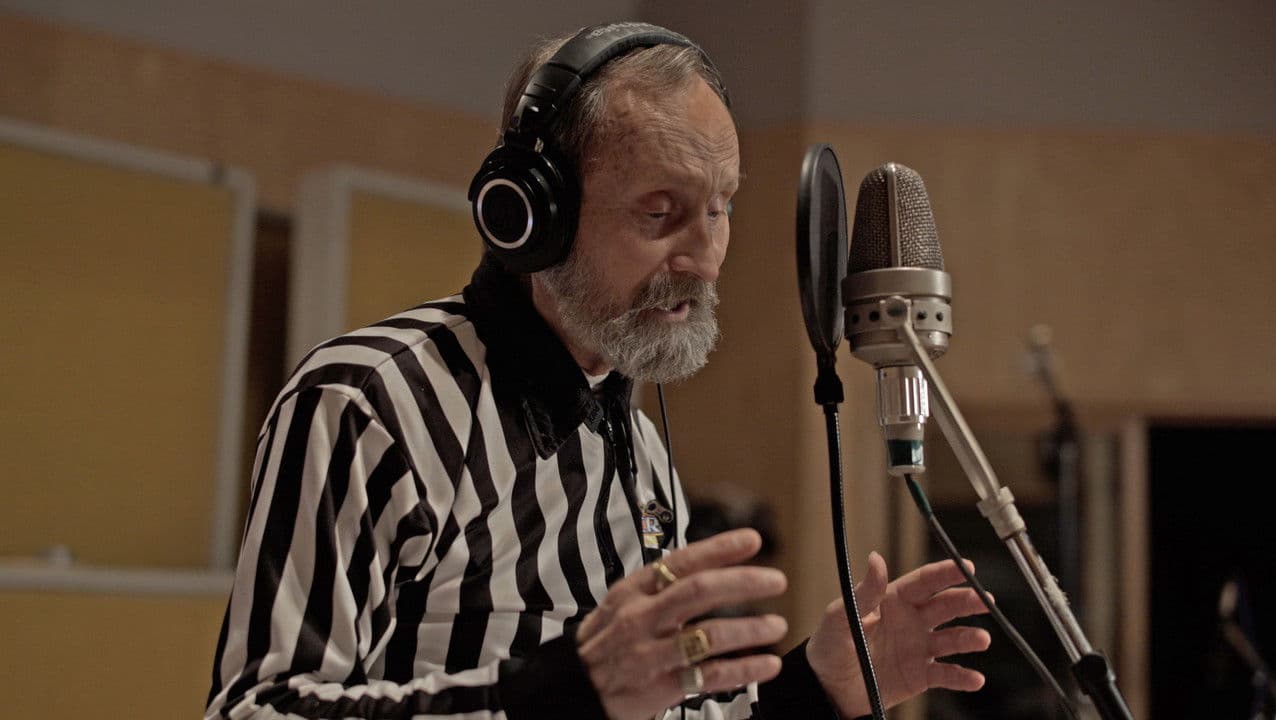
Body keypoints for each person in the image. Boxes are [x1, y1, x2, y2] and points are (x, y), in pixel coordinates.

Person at [206, 22, 992, 720]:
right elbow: (258, 710)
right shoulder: (368, 404)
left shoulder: (641, 449)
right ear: (531, 215)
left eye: (720, 207)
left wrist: (815, 692)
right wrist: (562, 697)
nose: (705, 259)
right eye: (660, 211)